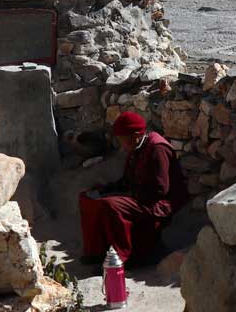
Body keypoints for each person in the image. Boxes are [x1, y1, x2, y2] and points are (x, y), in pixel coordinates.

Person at [78, 111, 188, 267]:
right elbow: (127, 180)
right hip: (140, 197)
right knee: (87, 199)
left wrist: (127, 196)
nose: (122, 145)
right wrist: (106, 189)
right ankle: (97, 253)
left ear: (136, 135)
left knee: (111, 205)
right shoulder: (136, 147)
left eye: (123, 140)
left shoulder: (157, 149)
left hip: (159, 204)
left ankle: (122, 258)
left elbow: (159, 190)